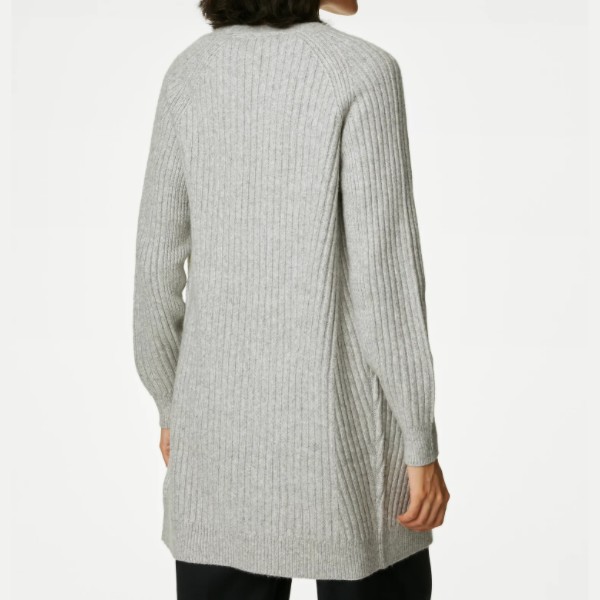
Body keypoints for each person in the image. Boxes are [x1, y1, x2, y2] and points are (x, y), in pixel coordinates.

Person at [133, 0, 451, 598]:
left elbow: (155, 268)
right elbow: (386, 279)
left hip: (216, 441)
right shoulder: (362, 71)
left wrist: (172, 407)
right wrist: (419, 441)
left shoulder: (189, 73)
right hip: (348, 442)